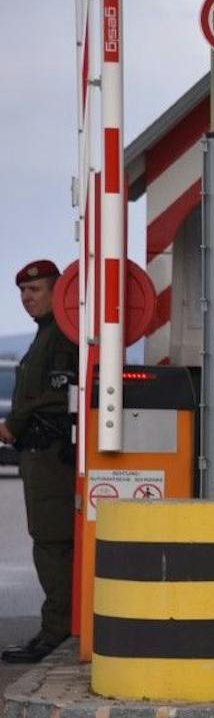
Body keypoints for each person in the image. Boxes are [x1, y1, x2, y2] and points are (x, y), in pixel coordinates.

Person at [2, 260, 77, 665]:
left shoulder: (61, 337)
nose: (27, 298)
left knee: (53, 544)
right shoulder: (46, 335)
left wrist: (13, 425)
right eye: (23, 293)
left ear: (58, 292)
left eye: (36, 291)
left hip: (50, 455)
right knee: (50, 542)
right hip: (40, 456)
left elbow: (49, 397)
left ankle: (56, 631)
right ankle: (59, 627)